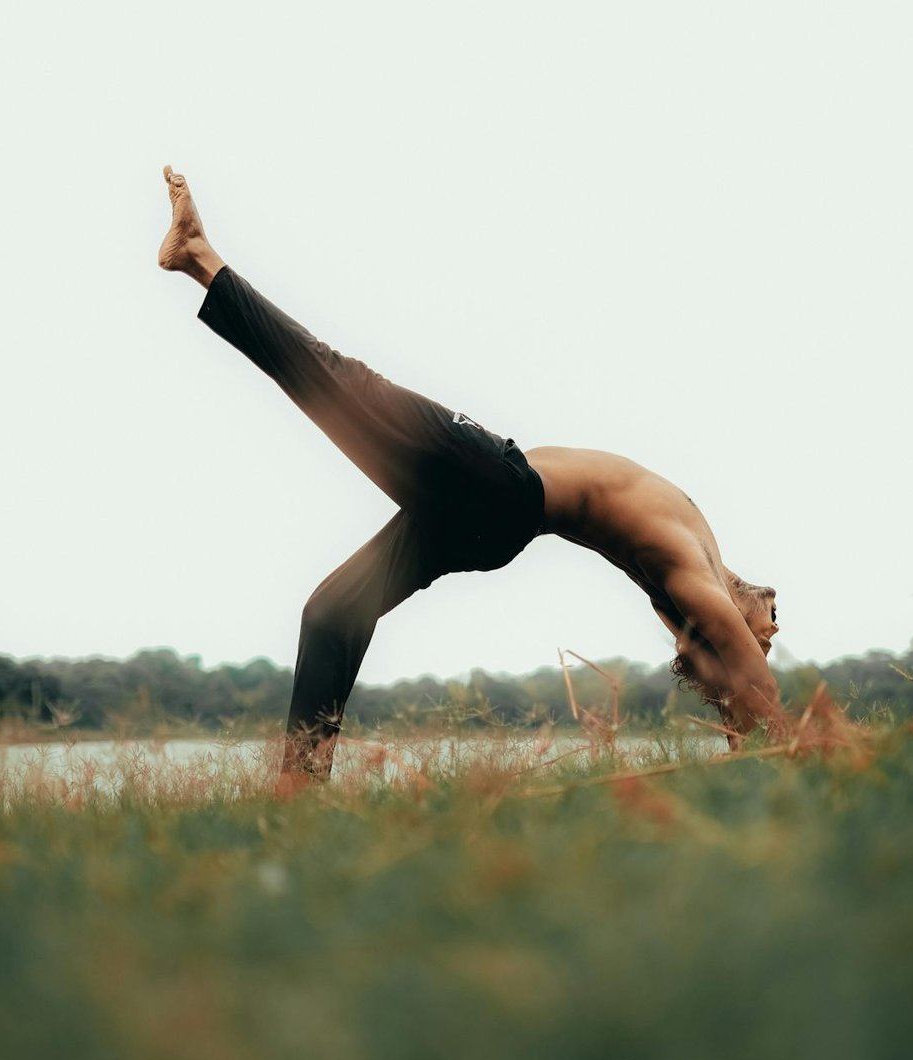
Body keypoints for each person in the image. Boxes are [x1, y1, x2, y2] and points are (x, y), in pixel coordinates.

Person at [157, 166, 785, 783]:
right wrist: (744, 732)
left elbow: (748, 678)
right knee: (332, 611)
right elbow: (733, 661)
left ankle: (200, 259)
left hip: (498, 489)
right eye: (768, 632)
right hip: (484, 515)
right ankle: (301, 784)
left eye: (763, 640)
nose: (772, 631)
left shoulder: (692, 580)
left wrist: (778, 725)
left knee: (343, 382)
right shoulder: (698, 559)